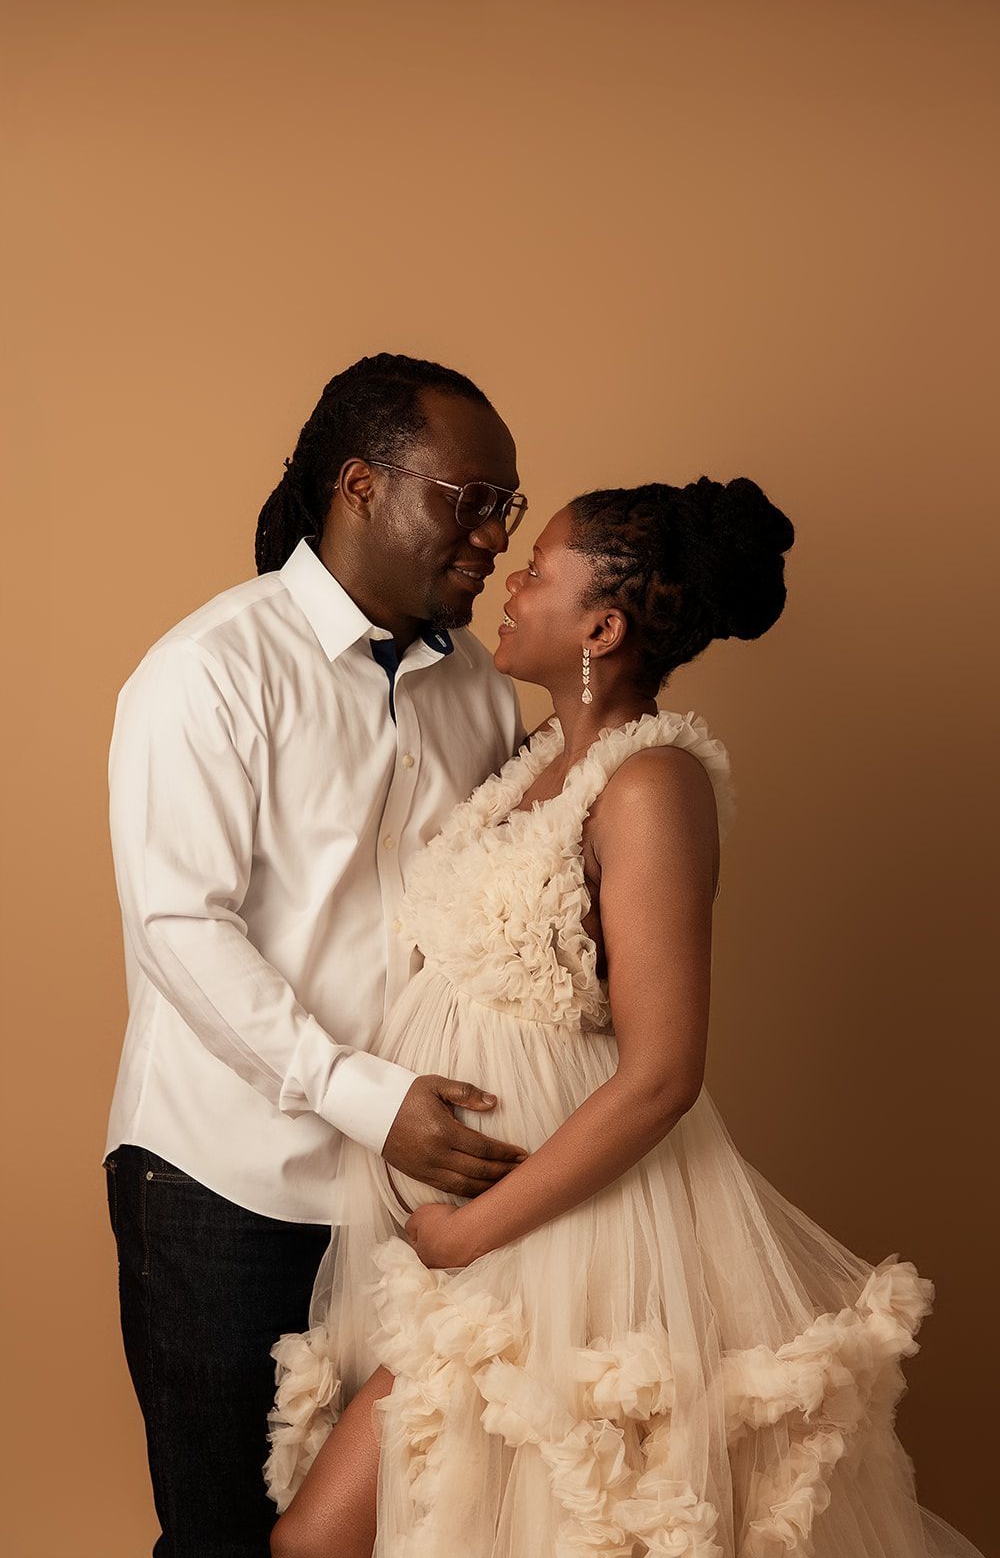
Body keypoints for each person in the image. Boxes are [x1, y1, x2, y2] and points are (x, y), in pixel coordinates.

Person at [265, 479, 987, 1558]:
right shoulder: (526, 765)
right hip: (470, 1226)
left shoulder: (650, 783)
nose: (510, 581)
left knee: (407, 1532)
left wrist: (468, 1231)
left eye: (538, 572)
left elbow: (661, 1073)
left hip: (568, 1228)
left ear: (599, 625)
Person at [102, 353, 537, 1555]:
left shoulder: (479, 694)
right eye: (472, 497)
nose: (498, 533)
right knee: (227, 1539)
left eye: (508, 503)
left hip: (411, 1201)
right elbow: (181, 926)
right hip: (225, 1186)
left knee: (396, 1531)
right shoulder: (208, 672)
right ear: (360, 485)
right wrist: (367, 1097)